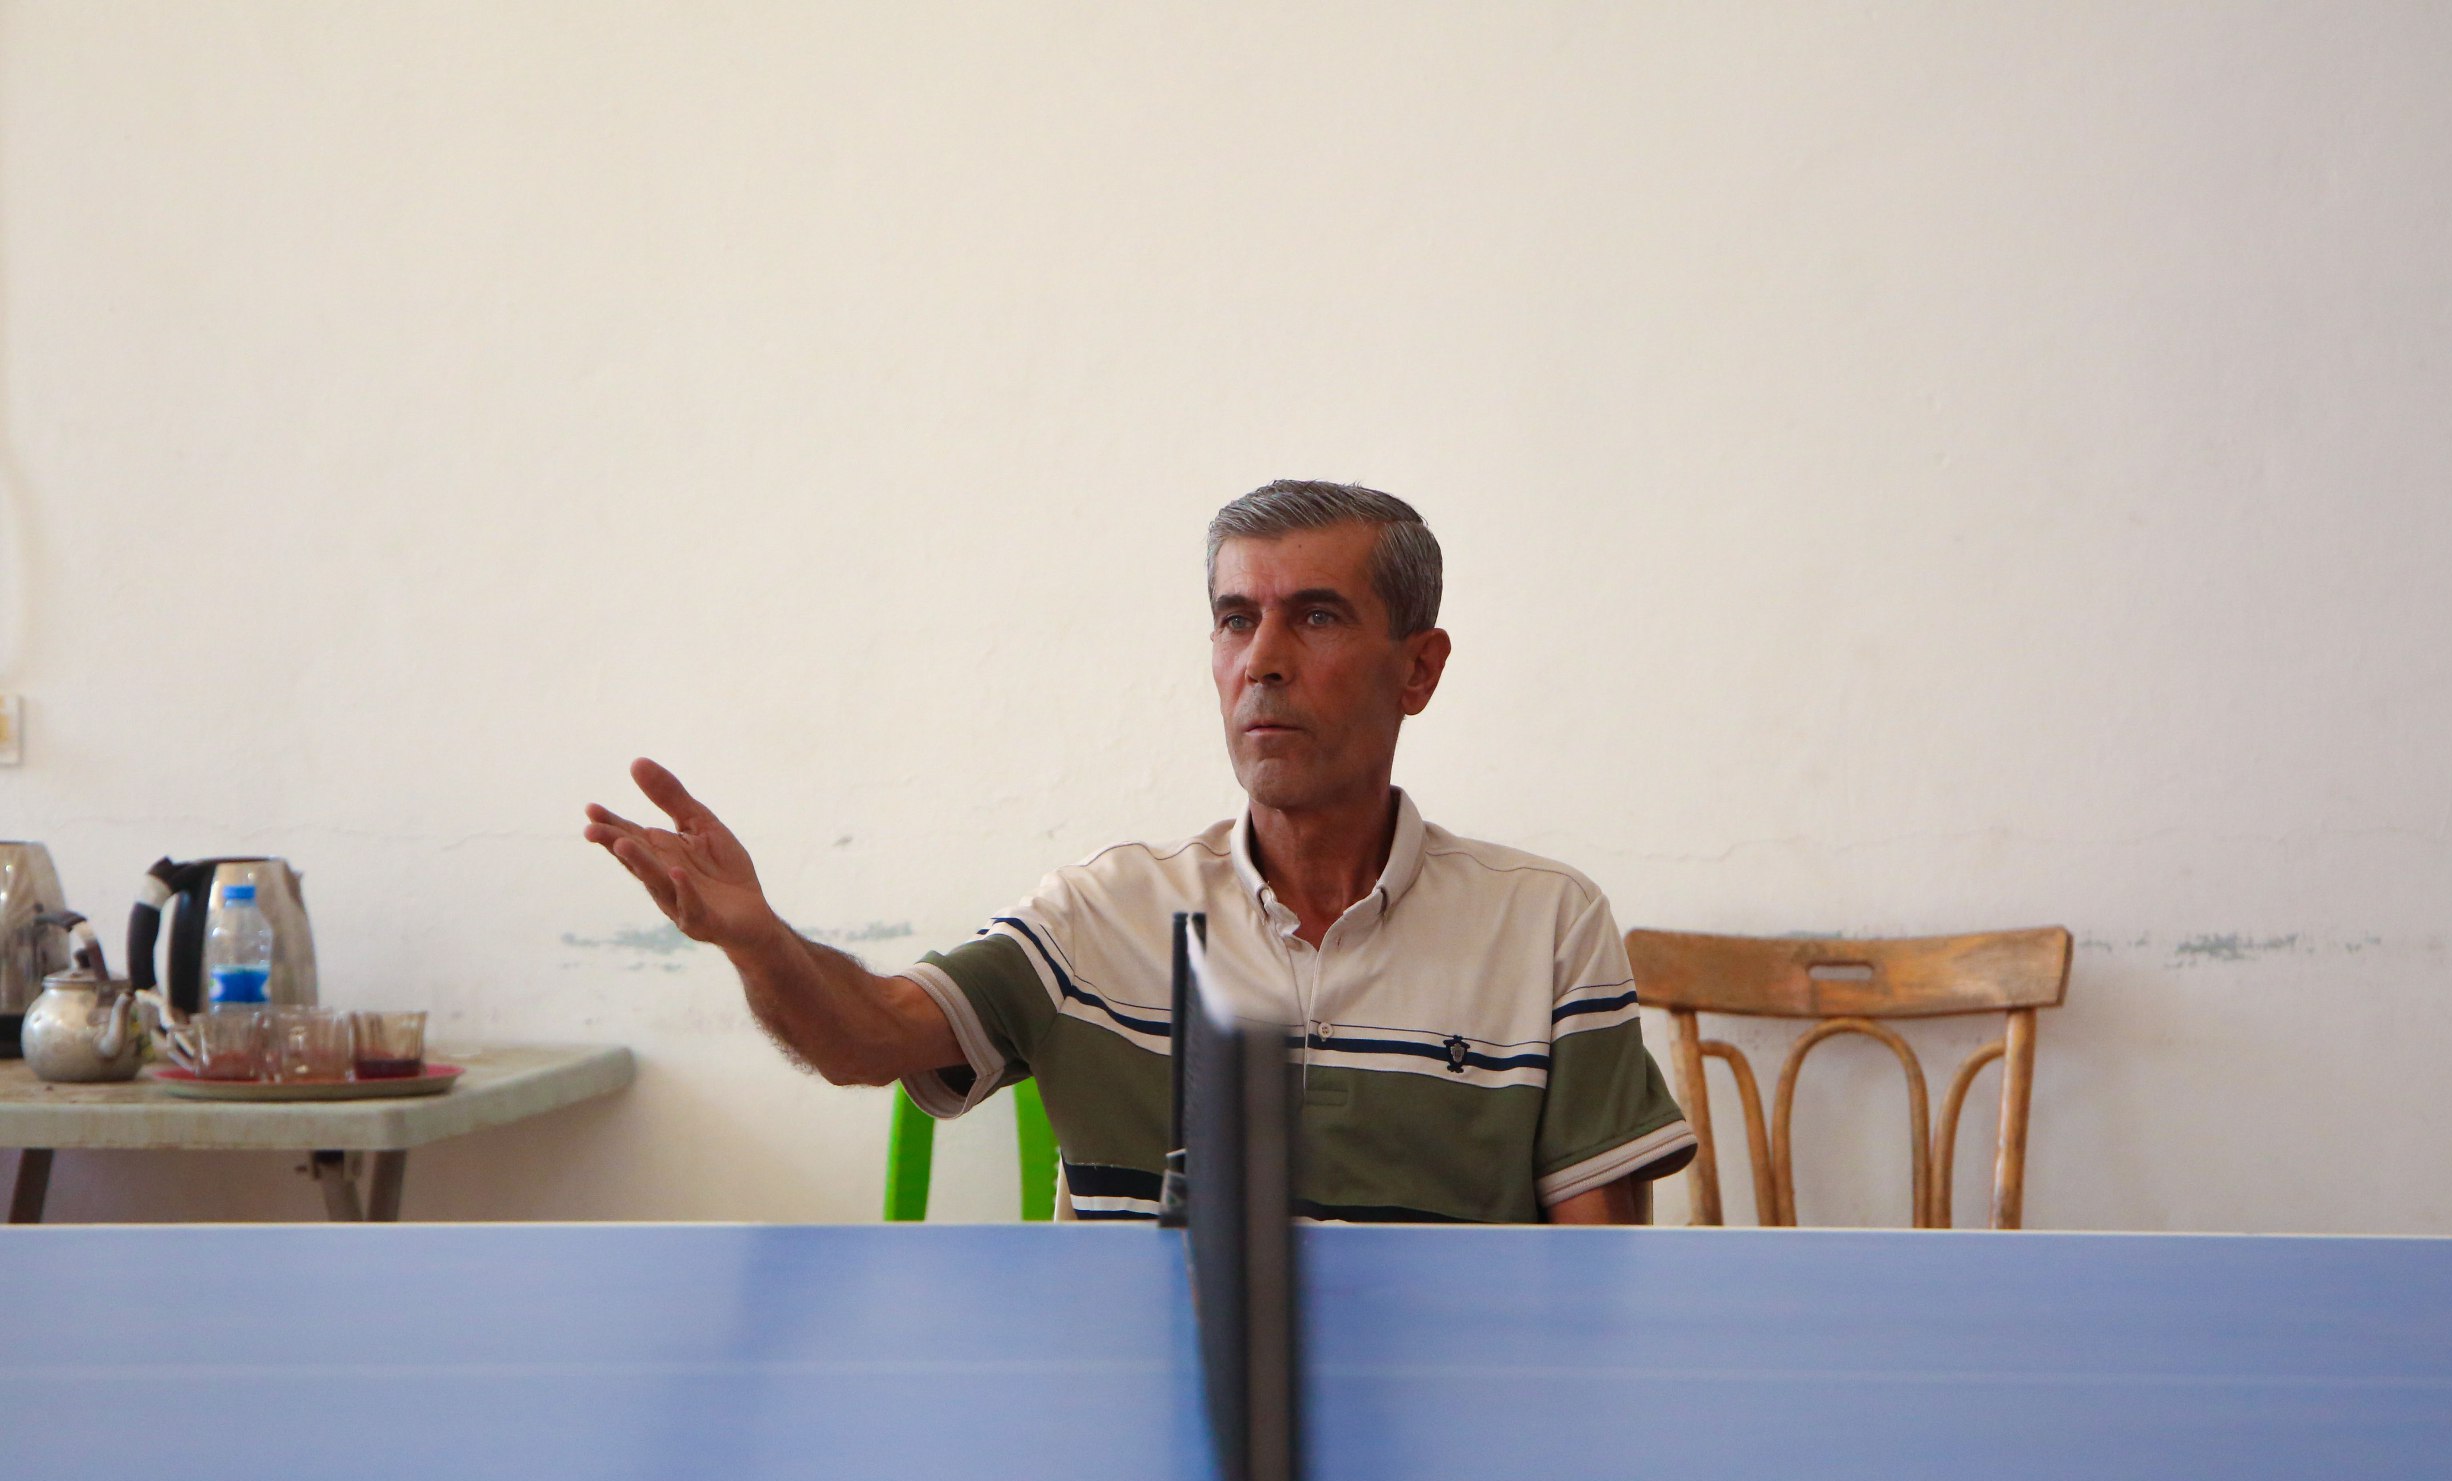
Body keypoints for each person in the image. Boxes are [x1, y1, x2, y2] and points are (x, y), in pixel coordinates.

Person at [585, 480, 1692, 1223]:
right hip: (1145, 1432)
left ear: (1419, 669)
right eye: (1235, 619)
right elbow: (864, 1036)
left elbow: (1586, 1293)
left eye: (1314, 617)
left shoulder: (1546, 924)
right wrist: (761, 943)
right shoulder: (1100, 911)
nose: (1261, 660)